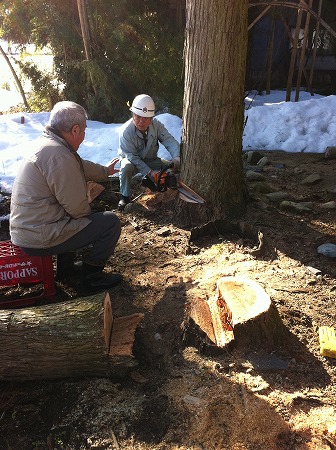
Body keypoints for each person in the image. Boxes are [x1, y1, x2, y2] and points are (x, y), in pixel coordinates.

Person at [9, 100, 122, 289]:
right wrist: (89, 213)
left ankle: (66, 271)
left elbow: (79, 165)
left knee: (70, 219)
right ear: (75, 130)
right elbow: (78, 209)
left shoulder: (50, 145)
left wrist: (105, 171)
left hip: (28, 229)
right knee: (109, 222)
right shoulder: (58, 155)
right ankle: (91, 276)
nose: (84, 135)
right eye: (84, 130)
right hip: (38, 236)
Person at [117, 94, 180, 210]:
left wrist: (176, 157)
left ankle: (151, 183)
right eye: (138, 116)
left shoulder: (157, 125)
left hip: (151, 160)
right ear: (133, 114)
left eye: (145, 118)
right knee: (126, 168)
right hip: (133, 162)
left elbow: (168, 140)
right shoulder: (125, 131)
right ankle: (124, 196)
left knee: (170, 168)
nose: (141, 121)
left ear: (151, 118)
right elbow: (132, 157)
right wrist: (150, 172)